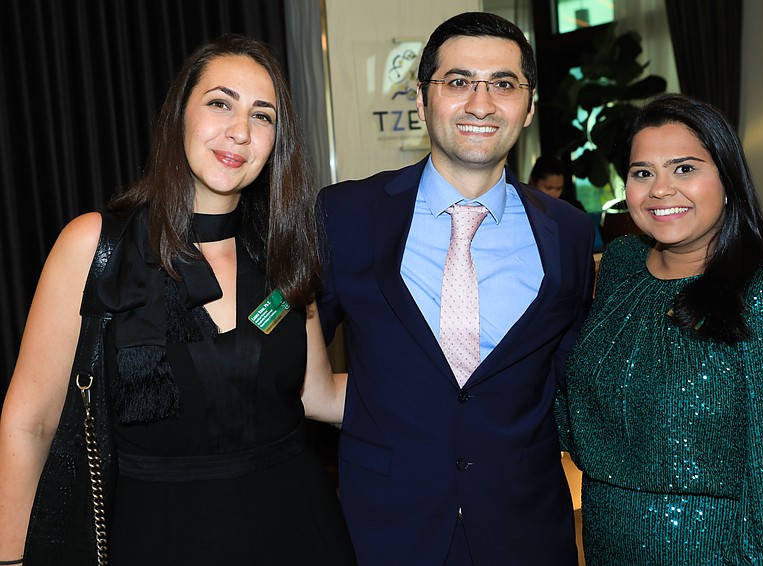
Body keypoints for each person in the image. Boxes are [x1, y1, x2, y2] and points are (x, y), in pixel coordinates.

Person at [0, 34, 356, 565]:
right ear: (179, 116)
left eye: (263, 116)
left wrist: (457, 390)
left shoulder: (285, 252)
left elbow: (318, 394)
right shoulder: (96, 246)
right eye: (220, 103)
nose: (240, 131)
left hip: (299, 529)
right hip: (155, 536)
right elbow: (31, 425)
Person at [317, 12, 596, 566]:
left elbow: (567, 378)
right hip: (386, 529)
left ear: (529, 106)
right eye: (459, 81)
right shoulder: (346, 215)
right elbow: (283, 350)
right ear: (422, 100)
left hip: (526, 529)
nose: (480, 103)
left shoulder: (567, 232)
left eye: (504, 84)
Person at [556, 93, 763, 564]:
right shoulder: (621, 267)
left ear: (728, 179)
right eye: (642, 172)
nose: (660, 190)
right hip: (606, 542)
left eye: (685, 168)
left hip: (718, 551)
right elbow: (582, 406)